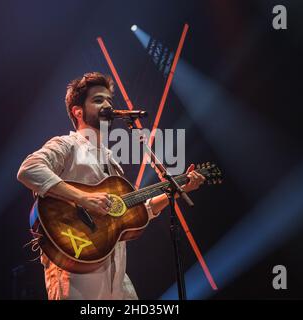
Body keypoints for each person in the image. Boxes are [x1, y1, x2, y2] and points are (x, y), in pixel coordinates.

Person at [17, 71, 205, 300]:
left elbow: (138, 211)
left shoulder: (111, 161)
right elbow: (29, 169)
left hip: (116, 270)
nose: (107, 104)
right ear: (78, 111)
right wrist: (83, 198)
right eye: (98, 100)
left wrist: (178, 188)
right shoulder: (66, 145)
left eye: (108, 100)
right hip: (76, 264)